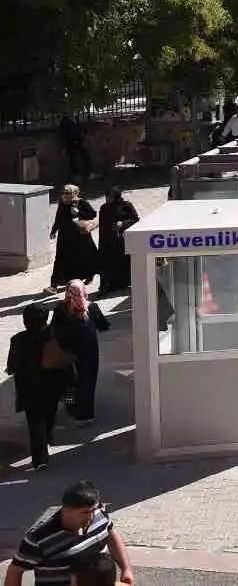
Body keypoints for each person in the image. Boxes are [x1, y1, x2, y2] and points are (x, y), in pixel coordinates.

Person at [5, 479, 134, 586]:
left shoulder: (98, 514)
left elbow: (110, 533)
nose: (90, 517)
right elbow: (15, 571)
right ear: (66, 510)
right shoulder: (39, 539)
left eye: (93, 510)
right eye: (84, 512)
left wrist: (126, 569)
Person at [8, 302, 69, 470]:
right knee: (48, 417)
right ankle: (42, 453)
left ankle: (40, 456)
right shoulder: (53, 335)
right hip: (51, 388)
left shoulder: (17, 339)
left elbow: (11, 366)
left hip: (28, 389)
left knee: (35, 423)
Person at [52, 281, 110, 424]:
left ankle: (70, 406)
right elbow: (103, 325)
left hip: (66, 352)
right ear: (84, 291)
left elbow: (54, 329)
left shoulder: (60, 309)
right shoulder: (91, 307)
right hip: (88, 353)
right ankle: (85, 414)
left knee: (68, 381)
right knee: (87, 382)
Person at [49, 185, 99, 291]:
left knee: (82, 258)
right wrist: (53, 230)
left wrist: (79, 213)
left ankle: (88, 276)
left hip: (79, 236)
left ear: (75, 194)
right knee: (60, 258)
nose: (64, 195)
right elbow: (58, 218)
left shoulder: (81, 203)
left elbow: (92, 214)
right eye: (64, 192)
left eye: (67, 193)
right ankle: (54, 284)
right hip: (64, 236)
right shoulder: (62, 203)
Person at [95, 188, 137, 294]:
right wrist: (102, 242)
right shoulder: (104, 208)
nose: (108, 199)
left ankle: (122, 282)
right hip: (108, 240)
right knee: (107, 264)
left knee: (122, 262)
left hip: (122, 240)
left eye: (110, 197)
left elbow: (135, 219)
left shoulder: (126, 205)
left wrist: (123, 223)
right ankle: (107, 286)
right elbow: (102, 226)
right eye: (106, 197)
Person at [58, 115, 92, 180]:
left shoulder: (71, 119)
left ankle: (78, 175)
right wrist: (78, 139)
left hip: (73, 142)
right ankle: (84, 174)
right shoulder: (66, 121)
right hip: (73, 142)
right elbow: (69, 133)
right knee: (82, 157)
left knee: (74, 159)